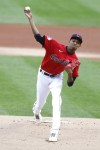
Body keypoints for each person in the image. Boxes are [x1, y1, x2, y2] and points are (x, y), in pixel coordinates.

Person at [24, 7, 83, 142]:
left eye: (78, 42)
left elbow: (70, 83)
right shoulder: (54, 44)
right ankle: (37, 111)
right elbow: (38, 37)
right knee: (40, 102)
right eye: (73, 40)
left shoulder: (75, 61)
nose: (75, 42)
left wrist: (69, 74)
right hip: (43, 75)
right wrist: (31, 19)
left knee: (57, 102)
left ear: (79, 46)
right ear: (70, 41)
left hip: (57, 78)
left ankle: (54, 132)